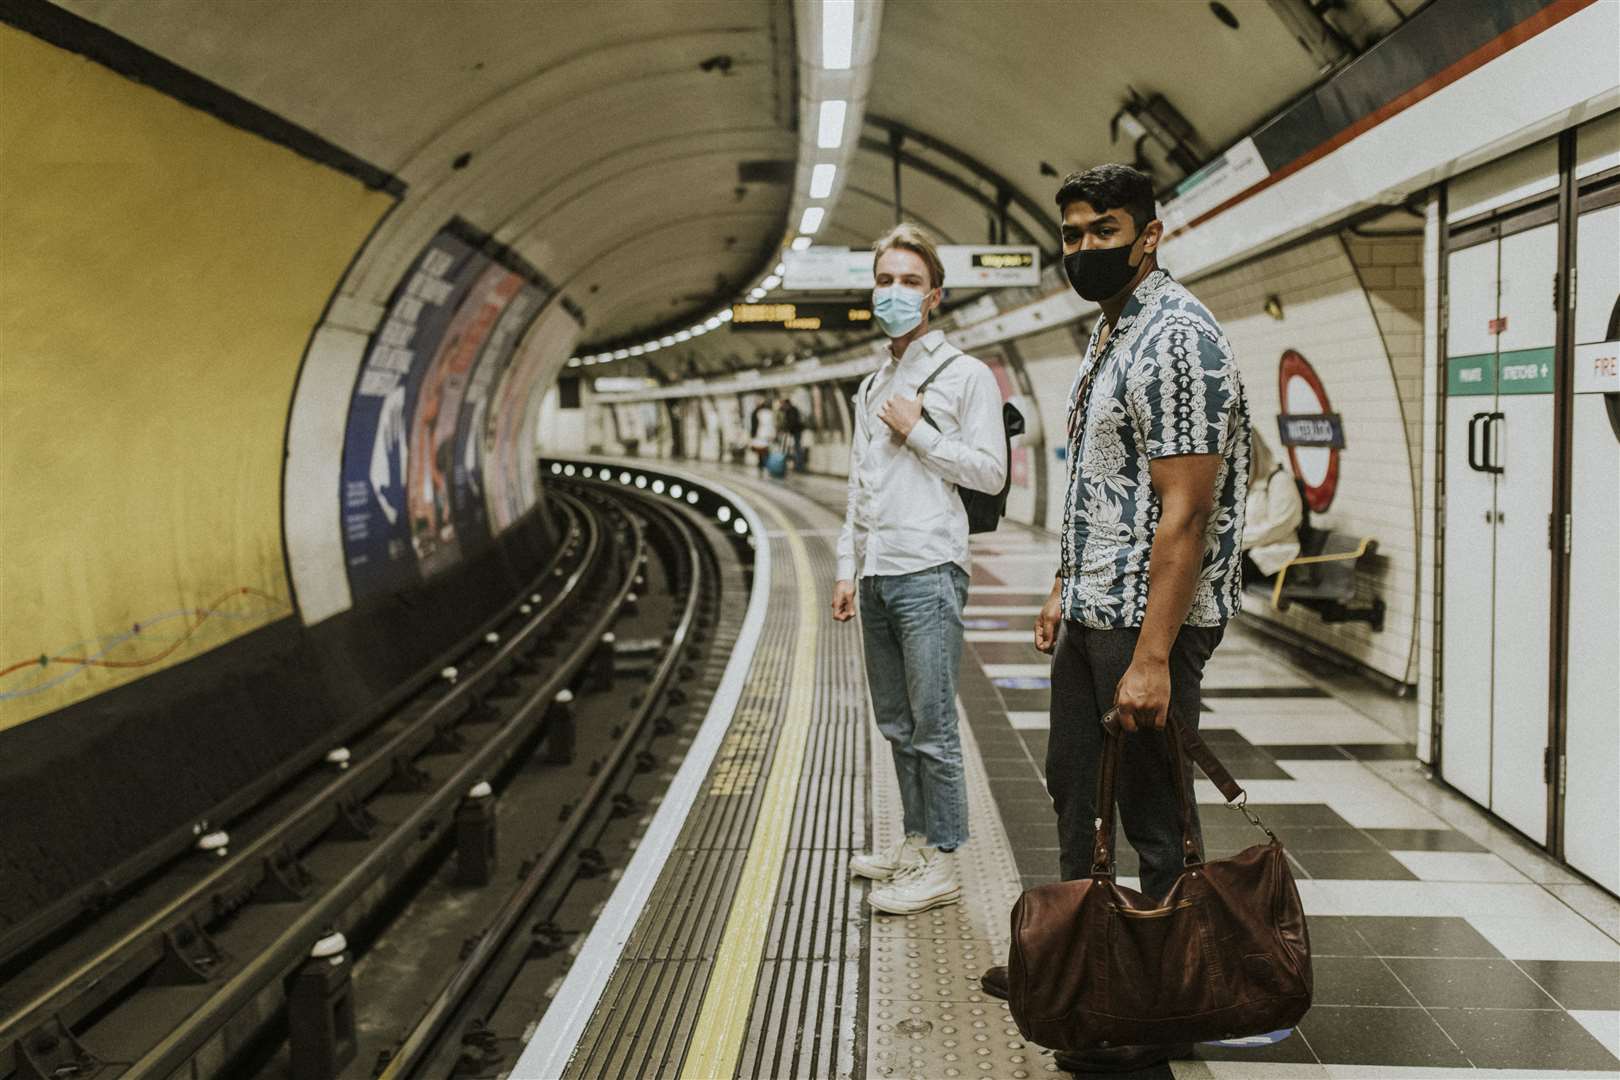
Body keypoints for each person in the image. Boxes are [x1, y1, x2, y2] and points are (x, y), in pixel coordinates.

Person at [979, 164, 1250, 1075]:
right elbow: (1106, 489)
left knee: (1152, 820)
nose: (1084, 248)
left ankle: (1163, 1005)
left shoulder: (1177, 341)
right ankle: (1080, 967)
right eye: (1073, 234)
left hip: (1146, 625)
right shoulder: (1112, 333)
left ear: (1149, 234)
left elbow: (1185, 513)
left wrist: (1154, 658)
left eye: (1104, 232)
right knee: (1074, 796)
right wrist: (1065, 583)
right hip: (1098, 611)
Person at [832, 223, 1008, 915]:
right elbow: (857, 485)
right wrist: (848, 567)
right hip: (879, 574)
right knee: (897, 724)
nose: (895, 293)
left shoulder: (966, 375)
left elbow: (991, 474)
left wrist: (921, 432)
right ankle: (913, 840)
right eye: (884, 281)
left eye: (909, 282)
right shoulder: (872, 381)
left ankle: (944, 858)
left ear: (934, 295)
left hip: (930, 568)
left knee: (933, 725)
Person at [1242, 429, 1303, 584]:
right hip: (1251, 553)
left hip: (1277, 558)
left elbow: (1279, 526)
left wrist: (1238, 540)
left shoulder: (1280, 480)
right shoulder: (1250, 485)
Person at [747, 398, 776, 473]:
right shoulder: (770, 413)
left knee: (760, 450)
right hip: (767, 434)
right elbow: (772, 425)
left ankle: (762, 464)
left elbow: (755, 425)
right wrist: (773, 434)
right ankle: (767, 464)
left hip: (760, 434)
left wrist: (752, 435)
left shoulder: (758, 413)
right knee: (765, 450)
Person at [778, 396, 805, 470]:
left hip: (795, 431)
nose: (782, 406)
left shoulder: (792, 410)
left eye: (783, 404)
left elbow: (792, 422)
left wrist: (787, 430)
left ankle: (799, 466)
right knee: (792, 448)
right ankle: (795, 464)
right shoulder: (789, 410)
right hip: (793, 431)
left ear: (787, 404)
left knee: (796, 448)